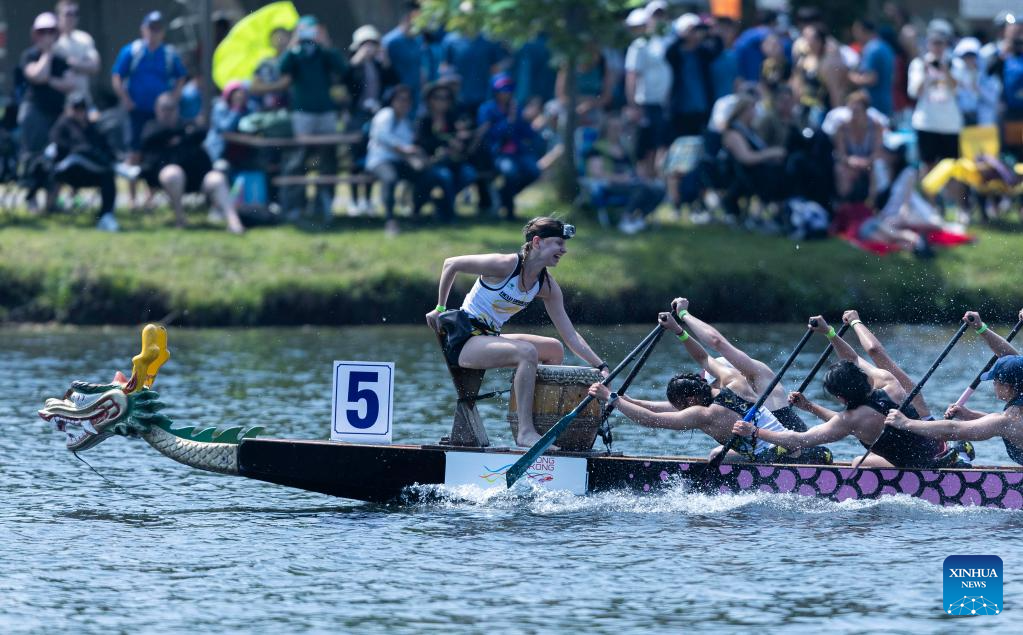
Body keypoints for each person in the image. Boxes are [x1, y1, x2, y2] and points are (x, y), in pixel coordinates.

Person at [425, 217, 609, 447]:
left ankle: (543, 426)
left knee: (554, 348)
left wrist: (600, 366)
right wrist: (440, 308)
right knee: (526, 352)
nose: (564, 250)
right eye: (558, 243)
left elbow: (570, 335)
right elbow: (451, 264)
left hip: (489, 337)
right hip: (464, 341)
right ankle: (525, 433)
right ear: (537, 242)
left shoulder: (547, 286)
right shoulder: (505, 265)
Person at [732, 316, 955, 468]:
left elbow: (798, 440)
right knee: (860, 461)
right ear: (865, 379)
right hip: (942, 449)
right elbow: (854, 359)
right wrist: (829, 331)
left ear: (840, 397)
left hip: (920, 468)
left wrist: (755, 431)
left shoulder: (850, 420)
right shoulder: (889, 384)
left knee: (858, 463)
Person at [886, 311, 1023, 464]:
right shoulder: (1013, 411)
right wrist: (980, 328)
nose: (993, 384)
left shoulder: (1008, 420)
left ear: (1008, 386)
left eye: (995, 380)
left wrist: (906, 423)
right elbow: (1012, 360)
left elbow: (953, 430)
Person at [258, 15, 347, 221]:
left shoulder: (324, 53)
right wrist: (293, 43)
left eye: (311, 30)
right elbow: (280, 69)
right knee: (298, 157)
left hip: (326, 112)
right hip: (302, 113)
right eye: (304, 30)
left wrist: (325, 44)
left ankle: (323, 203)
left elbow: (342, 69)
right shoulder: (295, 54)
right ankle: (294, 206)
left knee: (328, 157)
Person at [139, 92, 244, 234]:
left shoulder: (186, 123)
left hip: (197, 177)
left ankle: (234, 222)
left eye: (172, 108)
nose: (168, 112)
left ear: (177, 109)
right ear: (157, 109)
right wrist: (182, 134)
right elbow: (150, 138)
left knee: (217, 178)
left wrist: (179, 134)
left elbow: (203, 131)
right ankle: (180, 218)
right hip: (167, 180)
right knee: (173, 173)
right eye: (164, 108)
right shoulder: (151, 127)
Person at [111, 11, 187, 157]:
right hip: (137, 109)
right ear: (143, 29)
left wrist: (173, 98)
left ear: (163, 32)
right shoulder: (132, 51)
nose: (154, 32)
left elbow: (181, 77)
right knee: (135, 147)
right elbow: (117, 76)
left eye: (157, 29)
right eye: (151, 28)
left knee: (160, 144)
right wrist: (125, 99)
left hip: (160, 112)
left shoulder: (169, 54)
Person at [19, 12, 74, 211]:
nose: (47, 36)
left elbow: (70, 84)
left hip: (56, 115)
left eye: (51, 31)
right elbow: (36, 75)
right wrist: (47, 55)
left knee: (57, 156)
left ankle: (52, 202)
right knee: (34, 157)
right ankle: (31, 197)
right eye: (43, 32)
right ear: (36, 34)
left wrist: (50, 79)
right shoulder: (30, 55)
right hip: (35, 114)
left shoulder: (62, 59)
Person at [343, 25, 398, 216]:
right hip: (356, 117)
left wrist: (385, 61)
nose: (369, 47)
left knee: (369, 159)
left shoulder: (379, 65)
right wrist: (356, 61)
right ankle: (354, 200)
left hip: (375, 117)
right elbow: (345, 82)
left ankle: (367, 200)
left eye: (372, 43)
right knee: (353, 160)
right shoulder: (352, 65)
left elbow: (394, 81)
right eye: (366, 44)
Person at [366, 84, 435, 234]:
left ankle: (415, 213)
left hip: (399, 161)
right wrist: (404, 149)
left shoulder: (406, 123)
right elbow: (382, 137)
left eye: (407, 100)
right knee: (390, 179)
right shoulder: (385, 114)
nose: (404, 103)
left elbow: (410, 145)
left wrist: (416, 155)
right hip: (379, 160)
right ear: (393, 101)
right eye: (401, 99)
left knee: (426, 176)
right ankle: (390, 221)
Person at [583, 113, 664, 233]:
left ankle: (639, 218)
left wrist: (641, 177)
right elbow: (597, 173)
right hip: (608, 184)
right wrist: (620, 178)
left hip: (630, 181)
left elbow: (634, 168)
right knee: (640, 189)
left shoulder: (625, 147)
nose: (618, 131)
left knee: (659, 189)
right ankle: (626, 219)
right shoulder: (597, 148)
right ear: (606, 130)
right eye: (614, 128)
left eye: (620, 128)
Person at [49, 93, 119, 231]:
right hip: (69, 172)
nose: (79, 112)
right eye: (76, 108)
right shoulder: (62, 125)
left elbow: (106, 148)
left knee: (108, 175)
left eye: (82, 108)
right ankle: (51, 205)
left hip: (91, 172)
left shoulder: (93, 128)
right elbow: (60, 147)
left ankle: (106, 215)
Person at [478, 73, 541, 219]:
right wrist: (509, 120)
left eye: (508, 89)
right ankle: (509, 209)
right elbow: (490, 135)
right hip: (498, 153)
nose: (505, 93)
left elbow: (528, 135)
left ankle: (503, 196)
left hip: (517, 153)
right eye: (502, 90)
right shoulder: (487, 109)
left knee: (534, 171)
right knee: (510, 171)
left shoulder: (517, 108)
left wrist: (529, 120)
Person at [416, 81, 477, 222]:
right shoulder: (424, 119)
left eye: (446, 98)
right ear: (430, 99)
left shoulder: (452, 118)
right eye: (437, 97)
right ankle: (449, 214)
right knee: (445, 176)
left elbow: (462, 140)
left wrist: (461, 142)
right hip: (431, 163)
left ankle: (441, 205)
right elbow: (421, 142)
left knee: (469, 173)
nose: (442, 101)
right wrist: (445, 142)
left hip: (453, 161)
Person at [908, 27, 962, 173]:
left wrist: (945, 70)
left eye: (941, 43)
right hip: (926, 123)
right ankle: (926, 196)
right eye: (934, 43)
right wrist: (926, 73)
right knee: (927, 167)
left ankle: (951, 197)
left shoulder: (954, 63)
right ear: (928, 44)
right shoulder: (918, 64)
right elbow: (914, 92)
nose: (937, 47)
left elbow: (958, 90)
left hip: (950, 124)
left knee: (952, 168)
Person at [665, 14, 717, 139]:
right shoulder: (674, 53)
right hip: (680, 108)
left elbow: (717, 47)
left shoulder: (703, 53)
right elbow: (670, 51)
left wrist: (709, 32)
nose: (696, 34)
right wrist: (682, 36)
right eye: (692, 30)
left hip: (702, 107)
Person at [442, 30, 507, 119]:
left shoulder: (489, 40)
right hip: (459, 100)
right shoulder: (451, 41)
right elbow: (446, 70)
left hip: (484, 99)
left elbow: (496, 71)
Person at [833, 91, 883, 204]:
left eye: (857, 111)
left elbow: (878, 152)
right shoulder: (842, 127)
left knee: (878, 169)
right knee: (841, 171)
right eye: (851, 110)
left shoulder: (876, 126)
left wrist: (867, 162)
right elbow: (841, 154)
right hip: (850, 164)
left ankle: (872, 207)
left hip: (869, 163)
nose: (853, 114)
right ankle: (845, 206)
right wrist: (851, 161)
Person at [53, 1, 99, 106]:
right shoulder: (51, 40)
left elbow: (95, 66)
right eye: (68, 14)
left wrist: (70, 63)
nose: (72, 17)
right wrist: (81, 65)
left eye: (75, 14)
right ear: (58, 16)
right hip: (57, 104)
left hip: (82, 102)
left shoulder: (85, 39)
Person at [382, 1, 425, 113]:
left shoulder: (418, 39)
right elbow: (384, 68)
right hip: (399, 97)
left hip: (416, 94)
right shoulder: (390, 41)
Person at [848, 19, 894, 117]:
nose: (854, 35)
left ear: (862, 30)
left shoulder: (871, 49)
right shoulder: (885, 46)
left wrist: (850, 77)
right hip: (886, 101)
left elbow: (871, 79)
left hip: (874, 105)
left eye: (855, 31)